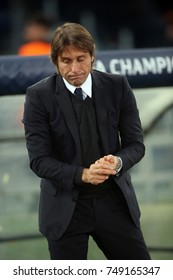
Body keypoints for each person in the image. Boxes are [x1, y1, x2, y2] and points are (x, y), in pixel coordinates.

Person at [22, 22, 151, 260]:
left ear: (92, 57)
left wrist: (118, 161)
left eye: (81, 59)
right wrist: (84, 175)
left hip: (114, 203)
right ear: (55, 62)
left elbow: (136, 145)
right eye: (66, 61)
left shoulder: (117, 86)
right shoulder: (38, 96)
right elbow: (39, 161)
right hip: (64, 209)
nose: (74, 69)